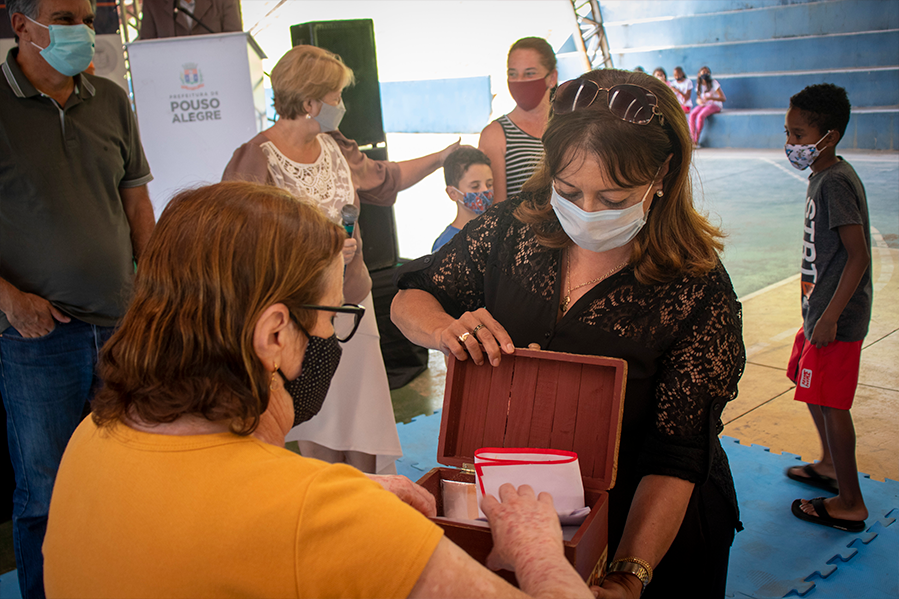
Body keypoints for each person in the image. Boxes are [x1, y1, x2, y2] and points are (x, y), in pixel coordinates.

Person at [42, 181, 596, 599]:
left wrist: (339, 504)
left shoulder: (90, 438)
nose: (332, 335)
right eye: (332, 315)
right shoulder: (323, 514)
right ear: (274, 336)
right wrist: (538, 554)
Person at [392, 68, 745, 599]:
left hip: (647, 519)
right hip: (523, 501)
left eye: (614, 198)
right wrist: (445, 329)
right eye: (568, 190)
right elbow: (410, 296)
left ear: (663, 174)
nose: (586, 213)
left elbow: (677, 456)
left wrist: (628, 573)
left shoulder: (696, 289)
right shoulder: (513, 228)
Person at [223, 45, 459, 474]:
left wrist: (442, 157)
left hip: (353, 303)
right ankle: (331, 493)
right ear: (310, 102)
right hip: (298, 315)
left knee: (364, 414)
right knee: (319, 419)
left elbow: (386, 179)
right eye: (336, 95)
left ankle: (372, 495)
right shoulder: (255, 158)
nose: (342, 104)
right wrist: (317, 249)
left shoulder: (335, 145)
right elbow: (239, 246)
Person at [0, 1, 154, 597]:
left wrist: (156, 289)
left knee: (132, 478)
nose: (83, 31)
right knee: (47, 492)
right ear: (21, 25)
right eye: (65, 18)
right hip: (36, 340)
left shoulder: (110, 100)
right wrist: (11, 302)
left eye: (88, 19)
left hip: (123, 328)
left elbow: (136, 202)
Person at [782, 84, 871, 533]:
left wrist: (832, 316)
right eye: (788, 133)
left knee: (833, 404)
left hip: (836, 319)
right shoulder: (823, 176)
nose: (790, 143)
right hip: (817, 311)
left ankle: (850, 503)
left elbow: (858, 255)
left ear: (828, 136)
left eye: (799, 135)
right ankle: (830, 465)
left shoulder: (835, 181)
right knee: (806, 382)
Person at [478, 37, 557, 203]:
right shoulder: (495, 134)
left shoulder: (570, 126)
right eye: (513, 74)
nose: (520, 81)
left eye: (530, 73)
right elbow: (497, 209)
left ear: (552, 78)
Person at [432, 146, 494, 253]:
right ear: (453, 193)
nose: (485, 190)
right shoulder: (447, 244)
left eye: (489, 184)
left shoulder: (498, 233)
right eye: (475, 186)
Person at [139, 0, 242, 39]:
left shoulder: (225, 1)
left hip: (218, 72)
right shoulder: (153, 3)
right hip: (172, 74)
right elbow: (144, 49)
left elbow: (236, 42)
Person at [688, 66, 726, 146]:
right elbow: (698, 98)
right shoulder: (699, 85)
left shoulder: (713, 83)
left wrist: (710, 98)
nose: (706, 74)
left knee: (700, 115)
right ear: (699, 74)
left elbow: (723, 98)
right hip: (704, 105)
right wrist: (699, 101)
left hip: (714, 105)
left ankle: (696, 140)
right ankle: (692, 138)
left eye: (707, 72)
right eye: (704, 72)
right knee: (692, 114)